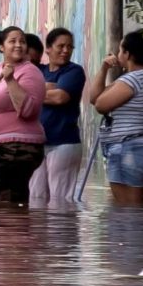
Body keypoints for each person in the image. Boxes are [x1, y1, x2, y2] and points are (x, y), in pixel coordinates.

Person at [0, 26, 47, 202]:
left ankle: (12, 231)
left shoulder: (30, 72)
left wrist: (11, 80)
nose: (19, 45)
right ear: (1, 47)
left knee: (7, 204)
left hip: (14, 149)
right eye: (12, 41)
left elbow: (28, 111)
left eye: (22, 41)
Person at [88, 29, 143, 205]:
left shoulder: (132, 80)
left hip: (128, 150)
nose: (118, 54)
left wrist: (105, 69)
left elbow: (99, 105)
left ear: (127, 54)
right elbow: (94, 97)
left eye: (121, 50)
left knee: (126, 209)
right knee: (136, 208)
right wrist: (104, 68)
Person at [29, 27, 86, 202]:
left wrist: (33, 94)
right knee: (35, 197)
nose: (65, 50)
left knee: (61, 199)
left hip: (64, 142)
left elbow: (60, 97)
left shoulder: (74, 71)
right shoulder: (39, 71)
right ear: (48, 48)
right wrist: (49, 88)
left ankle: (62, 231)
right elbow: (18, 91)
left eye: (70, 47)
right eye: (60, 46)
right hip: (37, 143)